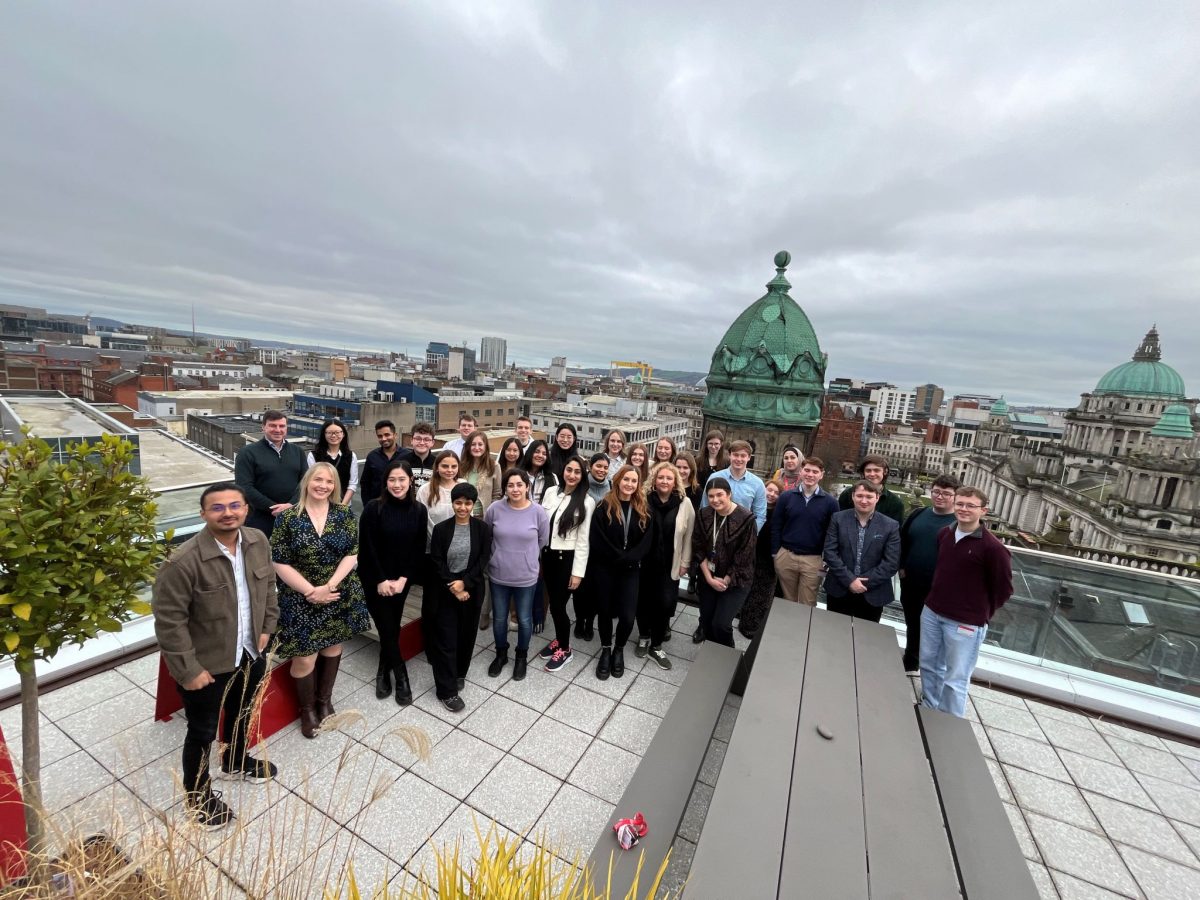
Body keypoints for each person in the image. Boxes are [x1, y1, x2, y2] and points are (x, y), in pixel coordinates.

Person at [153, 483, 278, 830]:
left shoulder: (257, 541)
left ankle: (236, 761)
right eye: (218, 507)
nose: (228, 513)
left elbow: (268, 586)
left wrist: (268, 626)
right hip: (208, 665)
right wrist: (188, 670)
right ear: (203, 514)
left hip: (252, 651)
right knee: (202, 730)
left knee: (242, 713)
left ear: (246, 509)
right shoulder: (182, 562)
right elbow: (168, 621)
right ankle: (198, 795)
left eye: (235, 505)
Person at [270, 463, 369, 739]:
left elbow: (352, 553)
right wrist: (311, 591)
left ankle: (324, 701)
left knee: (332, 645)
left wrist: (329, 586)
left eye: (329, 481)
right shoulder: (288, 518)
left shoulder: (345, 515)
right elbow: (279, 561)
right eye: (318, 479)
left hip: (338, 592)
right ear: (307, 482)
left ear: (335, 486)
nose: (323, 485)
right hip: (301, 597)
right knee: (304, 656)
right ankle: (307, 709)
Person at [920, 487, 1013, 717]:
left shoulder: (993, 549)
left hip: (965, 623)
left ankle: (950, 724)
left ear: (983, 511)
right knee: (930, 666)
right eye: (960, 504)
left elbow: (1003, 589)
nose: (963, 509)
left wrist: (979, 613)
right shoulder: (945, 533)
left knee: (955, 679)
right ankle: (929, 710)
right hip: (932, 612)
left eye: (970, 505)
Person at [358, 459, 427, 705]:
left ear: (411, 481)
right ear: (385, 483)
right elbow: (367, 548)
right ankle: (401, 677)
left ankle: (381, 671)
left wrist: (402, 579)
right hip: (374, 580)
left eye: (402, 479)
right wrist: (380, 580)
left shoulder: (419, 510)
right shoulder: (373, 508)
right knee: (387, 626)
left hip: (401, 580)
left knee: (392, 626)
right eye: (392, 480)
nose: (397, 485)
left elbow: (418, 549)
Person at [427, 483, 493, 712]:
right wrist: (454, 586)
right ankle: (446, 691)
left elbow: (483, 559)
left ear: (473, 505)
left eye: (467, 503)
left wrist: (465, 582)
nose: (462, 507)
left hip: (472, 589)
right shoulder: (441, 529)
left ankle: (459, 673)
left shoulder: (482, 529)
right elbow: (436, 561)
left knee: (466, 634)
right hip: (446, 590)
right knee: (446, 639)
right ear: (452, 503)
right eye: (458, 502)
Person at [483, 468, 550, 680]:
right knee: (500, 619)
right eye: (510, 485)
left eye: (519, 485)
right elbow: (487, 537)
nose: (515, 489)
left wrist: (526, 558)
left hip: (526, 576)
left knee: (524, 619)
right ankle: (501, 653)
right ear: (505, 488)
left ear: (527, 486)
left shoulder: (538, 512)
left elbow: (542, 541)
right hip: (499, 575)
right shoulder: (494, 509)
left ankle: (521, 656)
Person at [589, 465, 655, 680]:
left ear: (638, 484)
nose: (629, 484)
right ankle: (606, 649)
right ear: (617, 480)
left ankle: (619, 649)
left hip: (630, 570)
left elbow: (647, 540)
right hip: (606, 568)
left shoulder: (643, 508)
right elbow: (598, 538)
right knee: (605, 611)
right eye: (626, 479)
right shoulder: (603, 506)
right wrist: (618, 556)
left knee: (627, 616)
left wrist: (631, 558)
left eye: (634, 481)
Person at [898, 474, 960, 672]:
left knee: (935, 631)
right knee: (913, 624)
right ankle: (910, 660)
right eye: (936, 492)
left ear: (955, 496)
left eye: (946, 494)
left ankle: (930, 668)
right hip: (911, 583)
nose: (940, 496)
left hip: (940, 589)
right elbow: (902, 541)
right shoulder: (918, 514)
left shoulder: (959, 523)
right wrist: (901, 568)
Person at [538, 456, 595, 673]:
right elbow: (542, 524)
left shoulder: (587, 502)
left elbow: (583, 541)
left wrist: (578, 573)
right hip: (548, 556)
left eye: (577, 472)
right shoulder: (552, 492)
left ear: (583, 476)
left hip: (566, 560)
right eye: (569, 470)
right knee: (553, 602)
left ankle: (565, 648)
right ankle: (559, 639)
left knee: (558, 606)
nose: (572, 475)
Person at [636, 462, 694, 669]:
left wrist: (685, 563)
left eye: (669, 478)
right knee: (642, 602)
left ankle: (657, 645)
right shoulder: (643, 499)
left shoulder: (684, 503)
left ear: (675, 481)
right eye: (661, 477)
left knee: (664, 604)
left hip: (670, 564)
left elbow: (689, 536)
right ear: (654, 479)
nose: (665, 481)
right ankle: (643, 636)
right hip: (645, 562)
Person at [690, 478, 757, 648]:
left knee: (721, 624)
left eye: (719, 495)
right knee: (706, 620)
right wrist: (709, 577)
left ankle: (727, 654)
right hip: (709, 575)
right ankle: (712, 651)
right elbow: (698, 547)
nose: (715, 500)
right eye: (711, 496)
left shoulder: (746, 519)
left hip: (736, 580)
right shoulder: (704, 515)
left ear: (729, 494)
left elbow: (744, 555)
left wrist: (726, 579)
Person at [822, 480, 901, 622]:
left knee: (866, 640)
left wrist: (863, 583)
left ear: (877, 497)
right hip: (839, 589)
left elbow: (891, 563)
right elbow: (830, 552)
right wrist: (850, 580)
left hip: (873, 593)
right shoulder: (838, 519)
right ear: (853, 496)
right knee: (834, 634)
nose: (864, 500)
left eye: (869, 496)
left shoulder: (890, 526)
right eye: (859, 496)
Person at [771, 456, 839, 606]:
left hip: (813, 560)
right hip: (786, 556)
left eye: (815, 472)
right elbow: (776, 525)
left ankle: (803, 630)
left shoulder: (831, 503)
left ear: (821, 475)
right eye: (807, 470)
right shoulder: (786, 497)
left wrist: (826, 559)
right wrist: (776, 553)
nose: (810, 474)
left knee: (807, 603)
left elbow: (832, 533)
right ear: (801, 472)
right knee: (787, 600)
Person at [234, 411, 306, 535]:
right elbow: (244, 487)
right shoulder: (247, 453)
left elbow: (305, 482)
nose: (278, 430)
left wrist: (290, 505)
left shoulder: (298, 452)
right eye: (273, 425)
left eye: (282, 426)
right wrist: (273, 508)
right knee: (262, 553)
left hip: (294, 516)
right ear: (263, 427)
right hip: (260, 520)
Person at [739, 479, 782, 638]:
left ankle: (751, 626)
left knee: (762, 594)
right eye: (769, 489)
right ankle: (740, 617)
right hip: (750, 555)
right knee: (745, 588)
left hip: (769, 559)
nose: (771, 494)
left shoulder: (780, 514)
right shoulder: (752, 508)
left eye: (776, 492)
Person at [701, 440, 767, 530]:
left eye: (743, 456)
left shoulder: (757, 484)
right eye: (735, 455)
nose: (739, 459)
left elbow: (760, 515)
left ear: (749, 457)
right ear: (729, 455)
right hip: (715, 531)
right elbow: (705, 506)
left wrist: (750, 535)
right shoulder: (714, 477)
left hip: (742, 534)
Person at [417, 451, 464, 556]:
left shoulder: (463, 485)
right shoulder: (425, 490)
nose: (450, 470)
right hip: (433, 547)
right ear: (437, 467)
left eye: (454, 466)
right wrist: (439, 539)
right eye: (445, 466)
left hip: (458, 546)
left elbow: (469, 516)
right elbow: (424, 520)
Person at [306, 418, 359, 505]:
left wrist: (342, 506)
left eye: (337, 432)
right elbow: (311, 482)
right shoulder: (313, 456)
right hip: (319, 504)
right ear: (324, 434)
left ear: (343, 434)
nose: (333, 436)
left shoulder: (351, 456)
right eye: (330, 433)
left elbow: (352, 484)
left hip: (344, 505)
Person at [838, 455, 905, 523]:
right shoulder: (847, 495)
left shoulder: (895, 503)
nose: (872, 474)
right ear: (863, 473)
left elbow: (895, 531)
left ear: (885, 471)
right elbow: (839, 522)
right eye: (868, 470)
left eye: (876, 470)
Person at [457, 429, 502, 517]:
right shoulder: (460, 466)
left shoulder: (494, 466)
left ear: (486, 447)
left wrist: (491, 513)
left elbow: (497, 493)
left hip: (484, 517)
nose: (477, 448)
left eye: (480, 444)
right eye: (473, 444)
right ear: (468, 446)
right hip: (463, 515)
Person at [360, 419, 402, 504]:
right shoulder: (372, 456)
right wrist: (367, 505)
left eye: (387, 435)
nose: (383, 439)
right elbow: (365, 483)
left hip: (401, 505)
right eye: (380, 436)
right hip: (377, 506)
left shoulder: (407, 455)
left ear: (395, 435)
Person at [398, 422, 438, 489]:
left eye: (426, 439)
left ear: (432, 443)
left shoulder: (438, 463)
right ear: (411, 440)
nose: (422, 443)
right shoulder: (401, 462)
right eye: (418, 439)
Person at [519, 438, 559, 504]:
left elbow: (555, 502)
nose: (540, 456)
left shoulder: (552, 478)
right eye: (537, 452)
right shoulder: (518, 475)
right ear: (530, 453)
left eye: (544, 454)